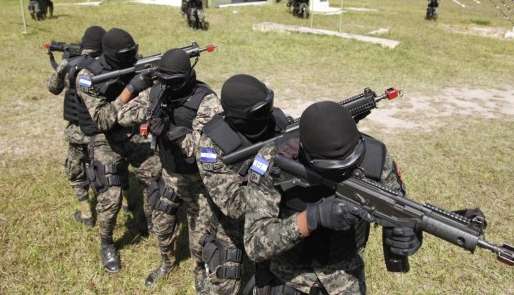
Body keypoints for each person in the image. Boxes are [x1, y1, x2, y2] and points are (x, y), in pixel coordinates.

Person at [243, 101, 423, 295]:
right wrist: (312, 217)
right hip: (287, 279)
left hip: (346, 279)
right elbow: (254, 245)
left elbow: (397, 209)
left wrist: (408, 235)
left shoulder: (376, 159)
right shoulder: (274, 159)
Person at [197, 74, 289, 295]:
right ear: (240, 117)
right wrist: (272, 178)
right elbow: (234, 205)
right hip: (229, 224)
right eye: (260, 111)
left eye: (269, 105)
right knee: (224, 285)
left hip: (273, 213)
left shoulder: (277, 122)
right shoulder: (212, 143)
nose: (268, 114)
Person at [74, 27, 157, 273]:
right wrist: (130, 89)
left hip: (132, 132)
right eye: (127, 54)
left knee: (155, 177)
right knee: (109, 197)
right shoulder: (87, 77)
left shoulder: (135, 64)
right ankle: (107, 242)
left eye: (134, 52)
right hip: (104, 139)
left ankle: (149, 221)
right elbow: (103, 120)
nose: (133, 57)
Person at [142, 48, 219, 293]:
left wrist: (170, 132)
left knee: (200, 238)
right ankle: (167, 263)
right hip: (168, 174)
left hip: (197, 180)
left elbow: (202, 148)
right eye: (164, 81)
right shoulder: (158, 91)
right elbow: (124, 112)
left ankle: (199, 270)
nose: (168, 86)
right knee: (161, 226)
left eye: (173, 82)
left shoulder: (206, 100)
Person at [47, 25, 106, 228]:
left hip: (77, 132)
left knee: (76, 170)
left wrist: (62, 65)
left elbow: (53, 87)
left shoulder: (71, 65)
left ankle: (86, 214)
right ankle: (125, 202)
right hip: (104, 133)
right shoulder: (109, 65)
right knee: (113, 169)